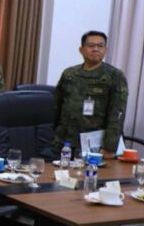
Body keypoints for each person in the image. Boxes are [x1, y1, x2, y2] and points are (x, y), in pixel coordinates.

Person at [54, 30, 129, 159]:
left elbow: (117, 114)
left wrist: (109, 147)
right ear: (81, 50)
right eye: (90, 45)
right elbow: (57, 107)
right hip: (64, 141)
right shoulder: (69, 74)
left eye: (100, 46)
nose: (95, 49)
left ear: (105, 50)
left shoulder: (115, 76)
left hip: (96, 144)